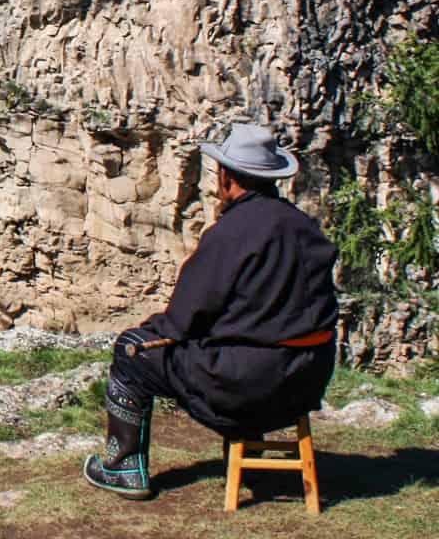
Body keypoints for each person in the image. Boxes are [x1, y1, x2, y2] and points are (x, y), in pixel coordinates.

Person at [82, 123, 338, 500]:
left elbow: (184, 318)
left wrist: (152, 330)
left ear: (228, 178)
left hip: (247, 386)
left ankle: (122, 469)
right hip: (306, 379)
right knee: (252, 340)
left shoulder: (231, 233)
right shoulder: (306, 228)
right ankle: (253, 450)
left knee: (131, 350)